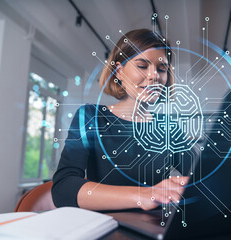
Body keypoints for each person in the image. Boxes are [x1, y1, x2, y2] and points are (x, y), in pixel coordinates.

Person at [52, 29, 191, 211]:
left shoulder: (168, 127)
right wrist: (143, 195)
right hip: (106, 228)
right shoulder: (91, 117)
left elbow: (203, 175)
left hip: (155, 229)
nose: (154, 75)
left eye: (161, 68)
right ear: (119, 72)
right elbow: (63, 188)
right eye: (142, 66)